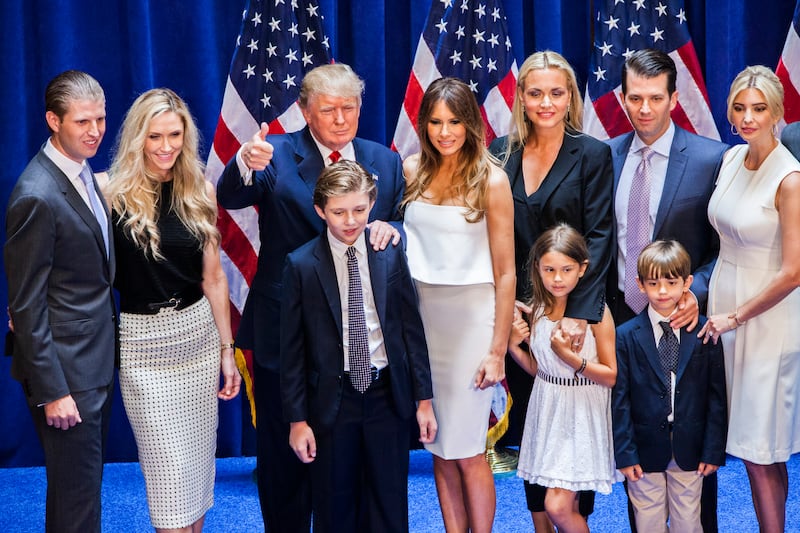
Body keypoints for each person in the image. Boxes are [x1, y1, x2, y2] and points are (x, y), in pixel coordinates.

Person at [216, 63, 404, 531]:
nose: (341, 119)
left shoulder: (384, 160)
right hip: (288, 333)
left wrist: (391, 227)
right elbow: (232, 196)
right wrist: (243, 164)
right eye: (329, 109)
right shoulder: (274, 154)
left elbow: (400, 223)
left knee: (353, 466)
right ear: (304, 110)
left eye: (349, 108)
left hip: (361, 340)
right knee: (286, 461)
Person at [103, 88, 241, 532]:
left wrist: (226, 350)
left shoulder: (198, 188)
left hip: (198, 337)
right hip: (142, 345)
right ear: (137, 137)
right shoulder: (109, 192)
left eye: (175, 135)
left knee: (197, 472)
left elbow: (214, 278)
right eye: (155, 136)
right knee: (166, 477)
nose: (166, 147)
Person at [488, 50, 614, 530]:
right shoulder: (500, 153)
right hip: (522, 315)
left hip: (576, 314)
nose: (545, 102)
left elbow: (601, 234)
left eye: (556, 93)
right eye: (535, 92)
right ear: (520, 97)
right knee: (533, 428)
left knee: (574, 431)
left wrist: (578, 313)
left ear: (570, 98)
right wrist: (510, 315)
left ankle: (575, 519)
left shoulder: (593, 154)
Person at [606, 48, 728, 533]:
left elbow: (727, 249)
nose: (644, 109)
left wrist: (696, 289)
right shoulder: (606, 155)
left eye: (656, 98)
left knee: (692, 452)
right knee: (640, 451)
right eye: (635, 97)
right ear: (622, 97)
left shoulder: (709, 159)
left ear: (674, 98)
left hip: (685, 322)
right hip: (624, 325)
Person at [280, 160, 436, 532]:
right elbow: (292, 352)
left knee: (389, 502)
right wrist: (297, 421)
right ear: (320, 210)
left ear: (372, 203)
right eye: (338, 212)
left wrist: (424, 400)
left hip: (387, 397)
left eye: (359, 210)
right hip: (333, 402)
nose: (350, 221)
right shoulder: (301, 265)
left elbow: (411, 330)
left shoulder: (389, 251)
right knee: (336, 506)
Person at [4, 70, 116, 533]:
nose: (95, 131)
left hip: (90, 363)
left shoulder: (79, 170)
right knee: (77, 502)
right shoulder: (36, 195)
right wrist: (54, 391)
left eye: (101, 119)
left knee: (78, 492)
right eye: (82, 122)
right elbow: (25, 306)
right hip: (66, 376)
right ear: (54, 120)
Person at [402, 77, 515, 533]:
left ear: (471, 124)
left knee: (467, 449)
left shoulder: (492, 179)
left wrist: (497, 349)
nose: (444, 132)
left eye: (453, 122)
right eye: (434, 122)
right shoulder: (412, 170)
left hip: (472, 322)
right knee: (438, 446)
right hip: (423, 320)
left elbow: (506, 272)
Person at [699, 65, 800, 533]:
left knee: (761, 450)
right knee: (755, 447)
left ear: (778, 112)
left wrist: (734, 317)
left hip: (766, 320)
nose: (747, 117)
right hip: (726, 309)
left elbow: (794, 272)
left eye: (758, 108)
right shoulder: (731, 159)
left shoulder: (791, 177)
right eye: (740, 108)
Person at [508, 224, 617, 533]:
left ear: (582, 269)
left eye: (566, 269)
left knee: (557, 506)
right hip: (547, 412)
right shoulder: (540, 307)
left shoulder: (596, 313)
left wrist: (573, 359)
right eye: (550, 269)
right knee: (559, 504)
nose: (557, 278)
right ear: (537, 269)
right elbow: (540, 370)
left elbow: (610, 376)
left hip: (581, 413)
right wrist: (512, 345)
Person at [613, 240, 727, 533]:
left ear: (687, 283)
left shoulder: (704, 333)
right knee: (648, 521)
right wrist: (625, 454)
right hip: (644, 449)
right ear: (639, 284)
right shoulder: (625, 336)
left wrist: (713, 450)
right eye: (653, 283)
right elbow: (620, 400)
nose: (662, 291)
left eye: (671, 282)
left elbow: (716, 398)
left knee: (688, 522)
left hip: (690, 447)